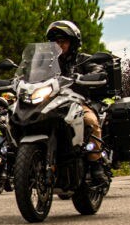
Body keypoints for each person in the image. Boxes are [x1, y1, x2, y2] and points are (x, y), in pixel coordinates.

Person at [45, 20, 109, 184]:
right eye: (55, 42)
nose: (59, 45)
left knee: (90, 120)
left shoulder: (83, 60)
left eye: (63, 41)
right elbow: (29, 74)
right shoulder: (46, 63)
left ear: (72, 43)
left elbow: (98, 70)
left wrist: (89, 76)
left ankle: (96, 164)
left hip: (76, 103)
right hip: (50, 104)